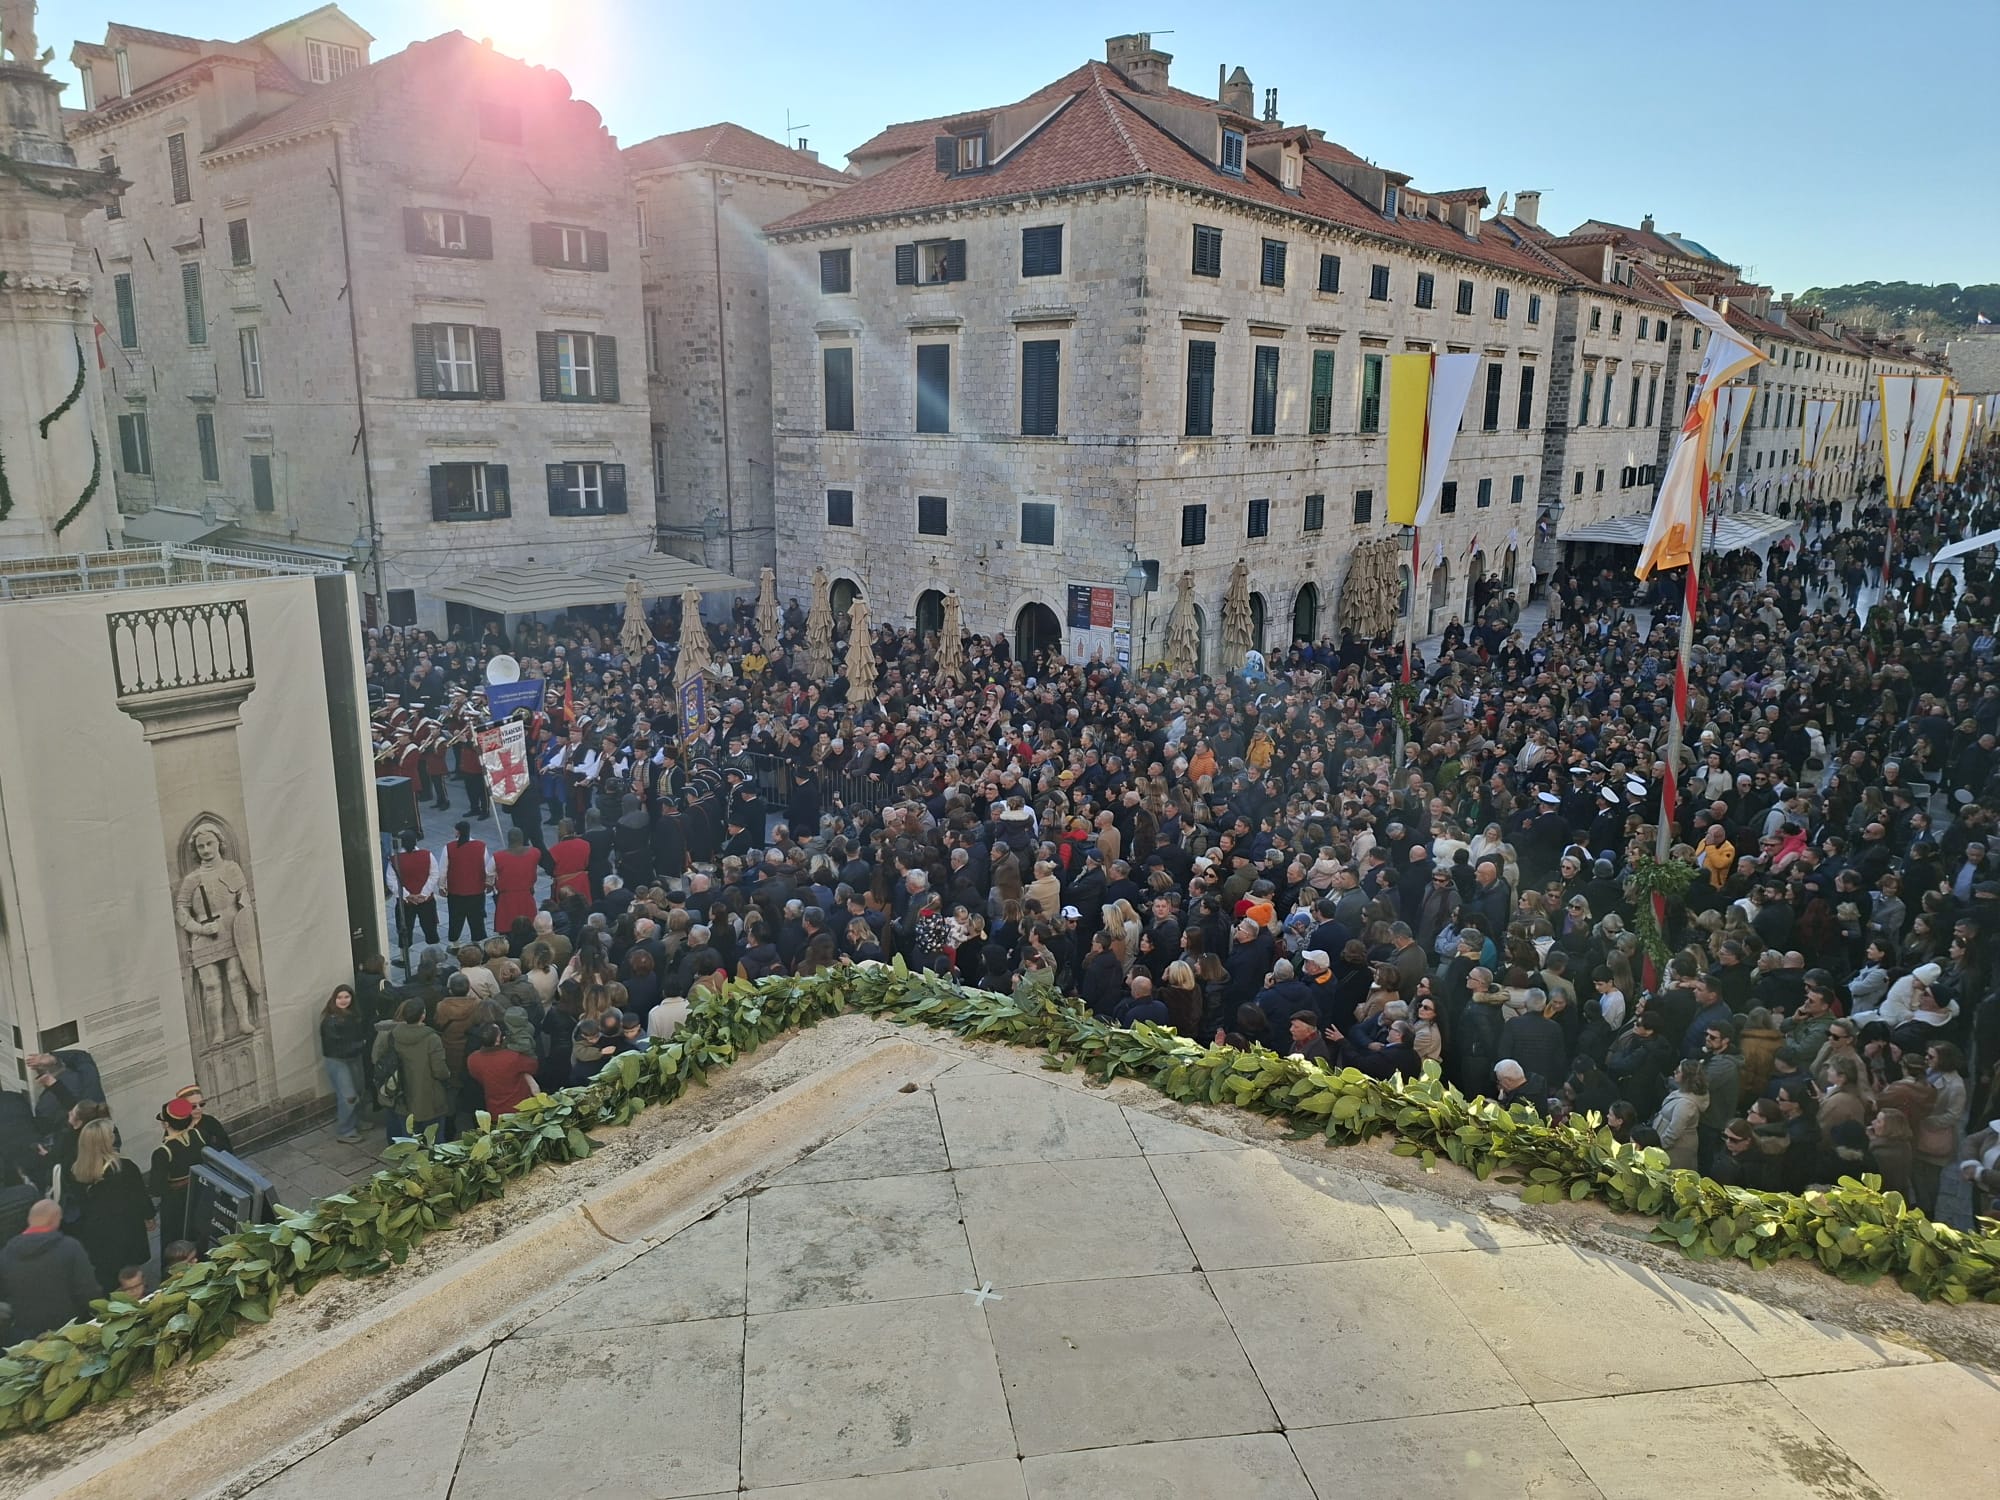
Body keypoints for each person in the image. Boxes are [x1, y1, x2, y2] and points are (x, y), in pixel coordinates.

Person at [62, 1118, 152, 1292]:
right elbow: (139, 1197)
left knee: (110, 1275)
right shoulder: (125, 1168)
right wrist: (149, 1217)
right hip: (125, 1229)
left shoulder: (77, 1171)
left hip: (97, 1233)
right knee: (130, 1274)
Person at [0, 1200, 100, 1340]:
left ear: (30, 1219)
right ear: (55, 1219)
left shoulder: (6, 1254)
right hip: (66, 1336)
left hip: (23, 1339)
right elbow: (88, 1292)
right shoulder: (70, 1248)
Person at [374, 998, 452, 1142]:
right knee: (435, 1139)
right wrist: (448, 1076)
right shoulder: (432, 1038)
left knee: (408, 1139)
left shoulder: (393, 1035)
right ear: (423, 1015)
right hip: (430, 1097)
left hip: (403, 1096)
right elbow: (439, 1071)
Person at [319, 983, 372, 1142]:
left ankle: (355, 1122)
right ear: (334, 999)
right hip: (338, 1060)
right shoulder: (329, 1022)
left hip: (353, 1057)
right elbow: (337, 1046)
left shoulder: (354, 1015)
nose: (343, 1000)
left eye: (347, 997)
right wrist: (362, 1044)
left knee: (358, 1091)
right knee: (349, 1096)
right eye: (340, 997)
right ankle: (345, 1130)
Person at [147, 1097, 203, 1248]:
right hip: (198, 1192)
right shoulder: (197, 1135)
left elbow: (156, 1188)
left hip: (175, 1202)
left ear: (166, 1124)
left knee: (175, 1240)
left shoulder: (163, 1152)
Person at [465, 1023, 541, 1117]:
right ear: (497, 1040)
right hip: (519, 1109)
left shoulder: (472, 1059)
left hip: (494, 1110)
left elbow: (477, 1076)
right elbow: (533, 1066)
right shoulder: (512, 1057)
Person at [391, 830, 442, 961]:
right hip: (426, 901)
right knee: (430, 926)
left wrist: (408, 895)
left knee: (404, 929)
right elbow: (434, 874)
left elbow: (391, 880)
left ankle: (403, 958)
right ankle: (434, 956)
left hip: (405, 903)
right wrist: (424, 894)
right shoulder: (427, 855)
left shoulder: (395, 859)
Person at [1652, 1060, 1707, 1172]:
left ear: (1686, 1077)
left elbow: (1674, 1131)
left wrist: (1659, 1146)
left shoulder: (1686, 1105)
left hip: (1676, 1149)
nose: (1674, 1072)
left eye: (1678, 1071)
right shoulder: (1682, 1092)